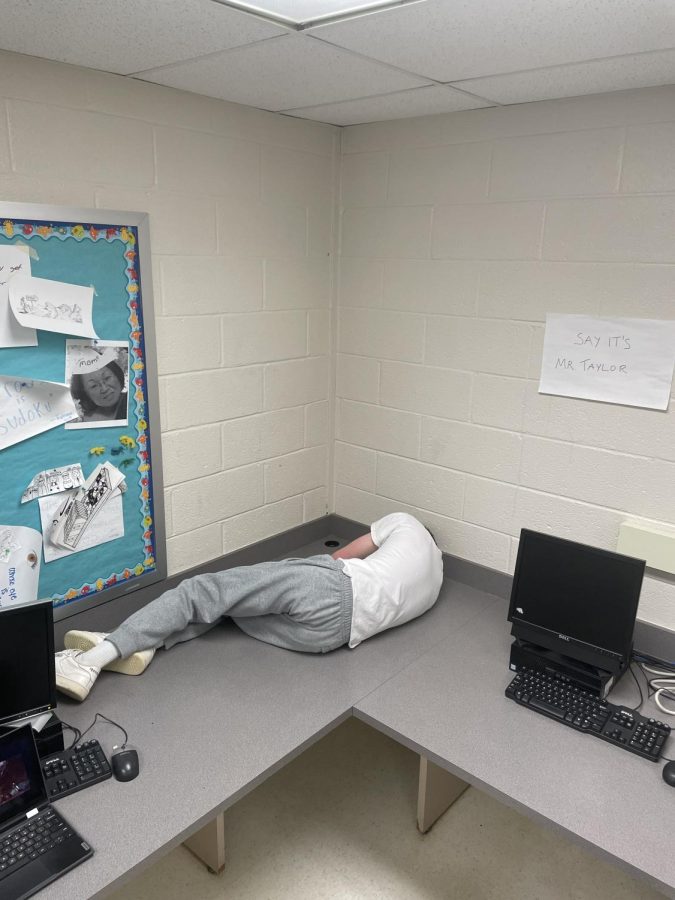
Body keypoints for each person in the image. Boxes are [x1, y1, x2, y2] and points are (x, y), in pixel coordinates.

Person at [54, 512, 444, 702]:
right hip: (332, 637)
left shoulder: (406, 522)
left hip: (332, 587)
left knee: (203, 591)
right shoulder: (438, 579)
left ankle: (90, 661)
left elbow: (342, 556)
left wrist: (292, 571)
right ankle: (146, 644)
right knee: (230, 609)